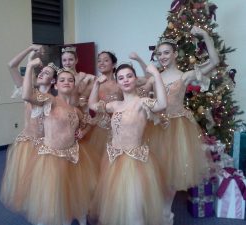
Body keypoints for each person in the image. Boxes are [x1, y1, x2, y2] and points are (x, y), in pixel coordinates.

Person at [131, 25, 220, 224]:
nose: (162, 57)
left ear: (174, 54)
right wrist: (137, 60)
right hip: (156, 126)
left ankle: (166, 213)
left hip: (176, 128)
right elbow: (148, 73)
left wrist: (205, 35)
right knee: (155, 172)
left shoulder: (184, 75)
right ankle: (155, 210)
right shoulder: (156, 77)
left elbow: (214, 61)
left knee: (171, 174)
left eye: (166, 53)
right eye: (159, 53)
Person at [19, 58, 96, 225]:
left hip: (73, 156)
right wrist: (30, 67)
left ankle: (74, 216)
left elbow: (89, 123)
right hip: (52, 157)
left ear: (74, 85)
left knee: (72, 193)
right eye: (62, 80)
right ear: (55, 84)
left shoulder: (75, 109)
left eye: (70, 80)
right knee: (53, 198)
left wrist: (83, 131)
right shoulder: (50, 101)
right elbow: (26, 95)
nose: (66, 82)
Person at [88, 63, 167, 225]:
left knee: (134, 209)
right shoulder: (115, 105)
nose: (125, 80)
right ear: (117, 82)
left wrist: (157, 76)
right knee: (117, 205)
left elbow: (162, 104)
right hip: (114, 159)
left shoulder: (142, 102)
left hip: (134, 161)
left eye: (129, 76)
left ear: (135, 79)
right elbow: (92, 105)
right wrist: (96, 84)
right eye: (121, 78)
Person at [0, 45, 57, 212]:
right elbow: (11, 66)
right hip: (28, 144)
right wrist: (29, 50)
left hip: (47, 144)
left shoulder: (55, 99)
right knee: (30, 181)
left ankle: (49, 212)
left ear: (53, 81)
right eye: (41, 72)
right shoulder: (28, 92)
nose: (41, 74)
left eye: (47, 73)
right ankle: (37, 211)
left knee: (47, 182)